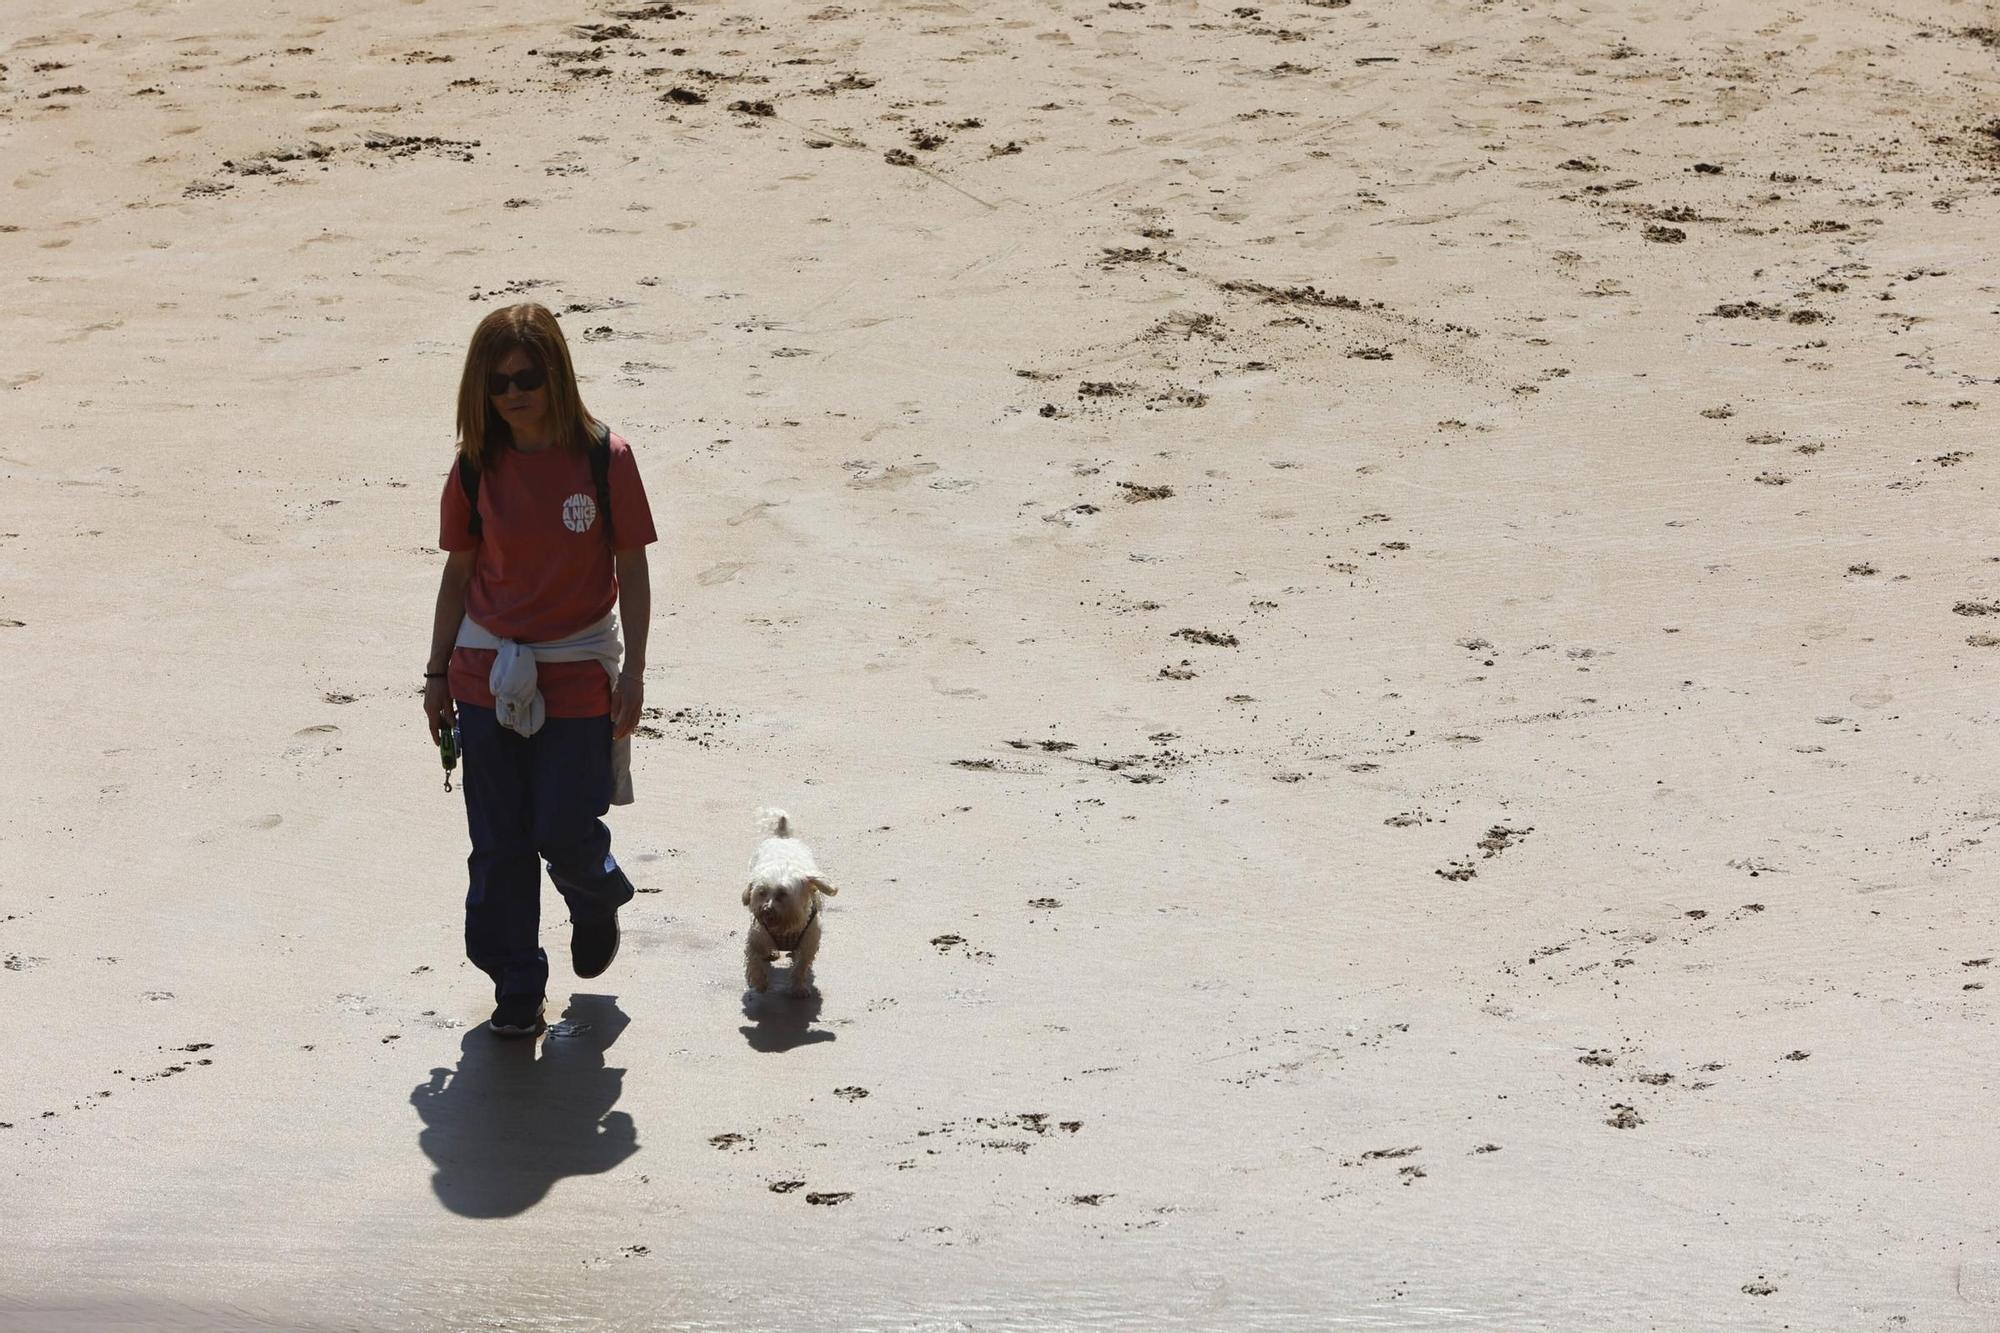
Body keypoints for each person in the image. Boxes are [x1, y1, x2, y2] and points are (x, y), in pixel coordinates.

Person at [422, 303, 657, 1038]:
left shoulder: (604, 458)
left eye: (527, 377)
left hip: (579, 668)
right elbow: (460, 576)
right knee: (499, 841)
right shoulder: (474, 466)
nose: (514, 393)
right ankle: (516, 985)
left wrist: (637, 672)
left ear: (555, 374)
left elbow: (633, 567)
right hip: (485, 670)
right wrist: (435, 675)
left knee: (564, 822)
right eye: (497, 384)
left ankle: (596, 895)